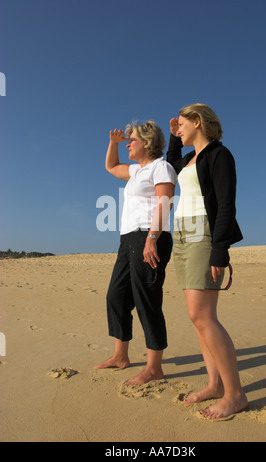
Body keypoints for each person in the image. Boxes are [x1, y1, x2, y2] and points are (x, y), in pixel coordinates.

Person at [167, 103, 248, 419]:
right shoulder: (189, 159)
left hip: (204, 232)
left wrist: (220, 251)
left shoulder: (219, 155)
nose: (179, 128)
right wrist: (174, 137)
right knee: (195, 315)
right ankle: (214, 383)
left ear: (197, 121)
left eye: (183, 124)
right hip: (182, 235)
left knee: (204, 316)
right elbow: (170, 166)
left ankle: (235, 394)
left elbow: (227, 205)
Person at [95, 120, 177, 386]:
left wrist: (152, 238)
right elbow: (110, 167)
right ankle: (121, 356)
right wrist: (113, 143)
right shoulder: (135, 171)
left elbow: (165, 202)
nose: (128, 143)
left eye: (132, 140)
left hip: (150, 236)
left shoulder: (160, 166)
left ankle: (154, 368)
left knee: (147, 301)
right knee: (116, 297)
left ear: (147, 142)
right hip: (128, 239)